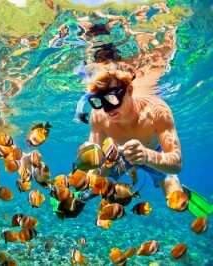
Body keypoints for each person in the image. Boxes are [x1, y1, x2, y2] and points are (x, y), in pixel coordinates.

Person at [76, 69, 188, 211]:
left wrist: (147, 156)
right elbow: (95, 160)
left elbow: (177, 162)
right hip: (118, 155)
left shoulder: (157, 111)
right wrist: (88, 161)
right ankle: (90, 192)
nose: (108, 109)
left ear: (129, 90)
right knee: (95, 180)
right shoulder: (98, 115)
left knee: (175, 202)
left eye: (112, 98)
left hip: (154, 153)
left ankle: (176, 190)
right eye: (99, 101)